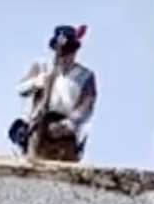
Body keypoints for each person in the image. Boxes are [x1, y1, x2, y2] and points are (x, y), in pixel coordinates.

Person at [10, 24, 97, 162]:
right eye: (59, 52)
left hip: (66, 124)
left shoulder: (86, 76)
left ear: (74, 52)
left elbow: (87, 105)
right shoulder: (41, 67)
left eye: (67, 52)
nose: (62, 57)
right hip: (39, 121)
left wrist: (70, 122)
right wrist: (35, 82)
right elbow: (20, 89)